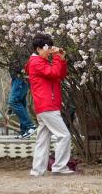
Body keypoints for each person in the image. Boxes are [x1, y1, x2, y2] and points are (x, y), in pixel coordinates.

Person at [25, 33, 73, 176]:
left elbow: (60, 74)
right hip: (47, 105)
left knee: (42, 140)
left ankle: (37, 171)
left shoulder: (41, 61)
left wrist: (61, 59)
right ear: (38, 49)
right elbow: (54, 73)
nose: (50, 50)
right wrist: (57, 57)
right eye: (47, 47)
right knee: (64, 135)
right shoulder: (36, 62)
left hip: (45, 106)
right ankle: (59, 167)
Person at [7, 54, 37, 139]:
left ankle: (30, 126)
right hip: (17, 78)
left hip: (21, 78)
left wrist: (20, 72)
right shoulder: (13, 50)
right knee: (21, 103)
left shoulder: (20, 49)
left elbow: (24, 62)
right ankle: (24, 131)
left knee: (13, 101)